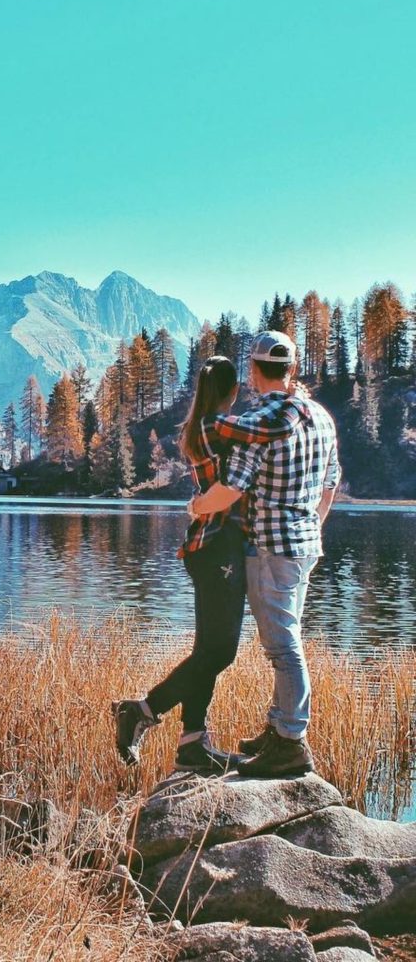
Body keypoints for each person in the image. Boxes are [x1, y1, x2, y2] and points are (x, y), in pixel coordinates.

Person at [112, 354, 307, 774]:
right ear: (233, 391)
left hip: (217, 548)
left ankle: (192, 744)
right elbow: (268, 430)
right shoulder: (215, 427)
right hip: (217, 547)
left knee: (208, 650)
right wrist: (295, 401)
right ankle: (141, 710)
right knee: (219, 652)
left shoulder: (200, 425)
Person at [190, 331, 340, 778]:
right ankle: (277, 729)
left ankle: (292, 740)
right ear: (291, 368)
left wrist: (195, 506)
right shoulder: (322, 416)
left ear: (254, 372)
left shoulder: (259, 422)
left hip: (271, 547)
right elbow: (331, 483)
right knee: (286, 637)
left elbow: (231, 489)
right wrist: (311, 525)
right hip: (305, 545)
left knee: (282, 646)